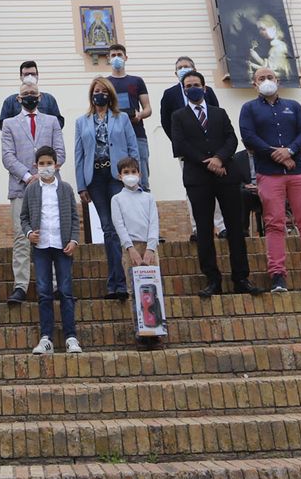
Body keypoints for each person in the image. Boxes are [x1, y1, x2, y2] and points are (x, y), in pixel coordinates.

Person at [238, 67, 301, 293]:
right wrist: (279, 155)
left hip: (299, 172)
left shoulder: (293, 106)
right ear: (254, 84)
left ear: (278, 81)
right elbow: (248, 136)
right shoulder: (249, 108)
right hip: (269, 174)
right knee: (274, 224)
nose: (266, 81)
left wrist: (291, 150)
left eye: (270, 77)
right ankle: (277, 276)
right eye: (261, 78)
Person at [168, 70, 259, 296]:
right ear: (184, 90)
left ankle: (241, 278)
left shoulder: (219, 113)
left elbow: (231, 138)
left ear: (204, 88)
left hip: (226, 176)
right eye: (188, 86)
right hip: (198, 179)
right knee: (205, 230)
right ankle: (213, 280)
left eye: (196, 84)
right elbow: (180, 145)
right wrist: (206, 162)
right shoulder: (178, 116)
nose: (192, 88)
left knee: (235, 228)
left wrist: (219, 158)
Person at [0, 79, 66, 305]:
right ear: (19, 98)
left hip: (51, 186)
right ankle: (21, 286)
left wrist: (46, 174)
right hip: (21, 187)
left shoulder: (52, 121)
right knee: (21, 236)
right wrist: (29, 177)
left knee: (52, 233)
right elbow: (7, 156)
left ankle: (56, 285)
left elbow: (60, 152)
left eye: (33, 93)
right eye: (26, 93)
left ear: (40, 97)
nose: (30, 95)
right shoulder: (8, 123)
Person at [74, 76, 138, 301]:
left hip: (117, 177)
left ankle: (123, 281)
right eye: (95, 90)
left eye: (102, 90)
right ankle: (116, 283)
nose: (98, 93)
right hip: (96, 178)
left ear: (109, 94)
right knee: (108, 228)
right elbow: (79, 154)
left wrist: (133, 176)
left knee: (120, 227)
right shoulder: (82, 121)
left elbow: (132, 148)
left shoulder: (122, 119)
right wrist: (81, 185)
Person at [20, 144, 82, 355]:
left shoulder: (65, 189)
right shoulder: (31, 190)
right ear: (35, 166)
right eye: (41, 164)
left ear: (56, 165)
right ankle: (46, 337)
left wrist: (74, 239)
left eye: (49, 163)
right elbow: (24, 217)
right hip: (41, 247)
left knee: (65, 290)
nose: (45, 167)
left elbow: (74, 217)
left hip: (62, 245)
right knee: (44, 292)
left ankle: (71, 337)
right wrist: (29, 234)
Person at [158, 57, 225, 241]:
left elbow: (216, 114)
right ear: (175, 73)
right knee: (193, 189)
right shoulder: (170, 94)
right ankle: (198, 228)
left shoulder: (208, 91)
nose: (183, 69)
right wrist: (180, 144)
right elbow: (166, 122)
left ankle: (220, 226)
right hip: (186, 152)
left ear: (195, 69)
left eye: (186, 66)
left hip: (212, 150)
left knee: (216, 186)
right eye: (179, 67)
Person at [110, 155, 162, 346]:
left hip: (149, 248)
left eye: (133, 172)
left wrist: (150, 248)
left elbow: (154, 224)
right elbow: (119, 225)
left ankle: (155, 328)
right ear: (119, 176)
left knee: (152, 288)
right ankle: (140, 329)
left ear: (139, 174)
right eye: (126, 172)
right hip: (130, 249)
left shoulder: (148, 197)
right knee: (135, 290)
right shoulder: (117, 199)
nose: (130, 175)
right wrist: (130, 248)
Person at [105, 44, 152, 190]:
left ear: (126, 57)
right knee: (117, 179)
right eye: (113, 55)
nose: (116, 58)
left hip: (137, 133)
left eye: (119, 55)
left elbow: (148, 109)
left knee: (141, 176)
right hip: (114, 137)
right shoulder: (105, 83)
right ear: (108, 59)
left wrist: (140, 114)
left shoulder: (137, 81)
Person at [0, 61, 65, 128]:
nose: (30, 77)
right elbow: (3, 125)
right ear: (21, 77)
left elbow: (59, 122)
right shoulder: (10, 101)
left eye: (33, 74)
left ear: (37, 76)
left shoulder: (49, 99)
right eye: (26, 74)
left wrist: (45, 128)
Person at [247, 16, 293, 80]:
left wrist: (255, 59)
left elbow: (273, 72)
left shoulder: (279, 47)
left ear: (273, 28)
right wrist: (254, 61)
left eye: (263, 29)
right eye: (259, 30)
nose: (260, 32)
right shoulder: (275, 46)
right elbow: (269, 66)